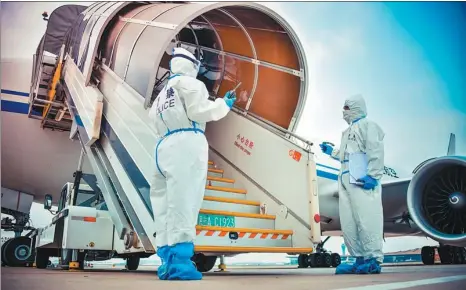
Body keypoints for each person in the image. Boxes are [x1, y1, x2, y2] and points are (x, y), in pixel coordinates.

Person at [148, 47, 236, 280]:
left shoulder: (160, 95)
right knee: (184, 202)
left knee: (164, 207)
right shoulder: (192, 85)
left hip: (162, 147)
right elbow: (200, 111)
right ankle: (181, 265)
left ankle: (167, 263)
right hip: (186, 143)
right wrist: (223, 105)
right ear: (192, 65)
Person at [319, 94, 385, 275]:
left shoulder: (368, 126)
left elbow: (375, 150)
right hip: (346, 177)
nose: (343, 111)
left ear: (356, 107)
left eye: (347, 107)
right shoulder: (347, 132)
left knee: (366, 218)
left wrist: (373, 175)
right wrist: (332, 151)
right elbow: (347, 154)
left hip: (363, 179)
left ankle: (372, 260)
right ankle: (359, 258)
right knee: (349, 222)